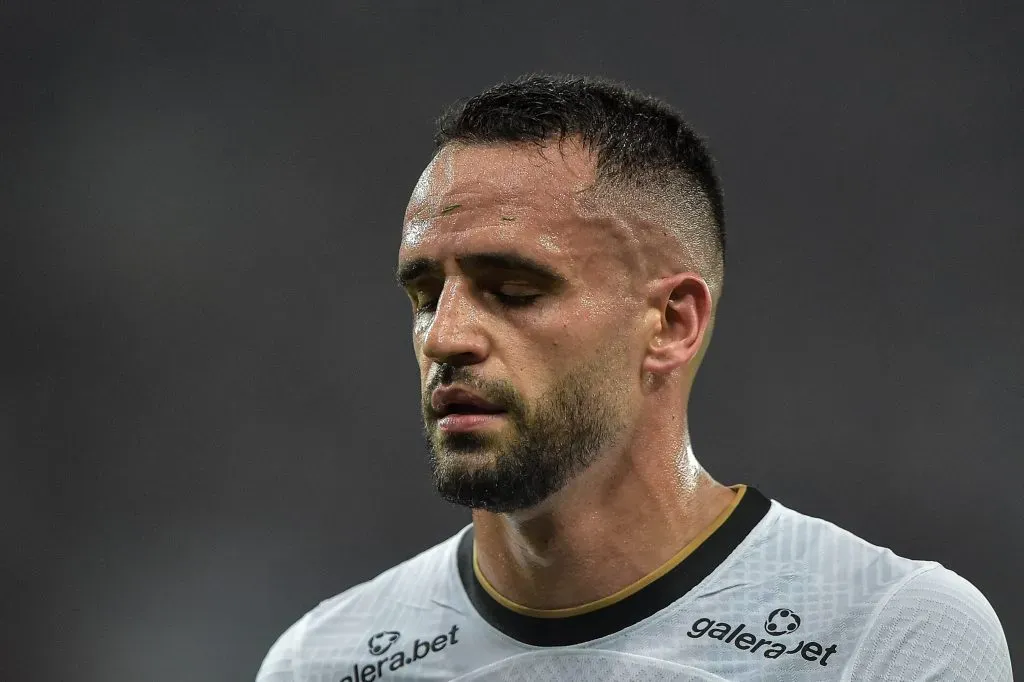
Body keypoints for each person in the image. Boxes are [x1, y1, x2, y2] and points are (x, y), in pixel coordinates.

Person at [256, 74, 1012, 681]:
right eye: (425, 296)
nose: (446, 337)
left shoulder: (886, 634)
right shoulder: (325, 661)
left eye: (515, 291)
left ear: (672, 324)